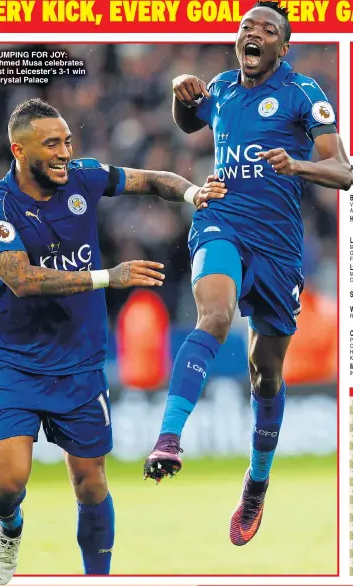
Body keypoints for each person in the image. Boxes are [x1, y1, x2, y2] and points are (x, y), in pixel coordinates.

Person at [0, 97, 226, 585]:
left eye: (68, 140)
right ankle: (9, 526)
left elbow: (149, 179)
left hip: (81, 362)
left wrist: (192, 193)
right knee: (8, 484)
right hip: (14, 362)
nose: (66, 151)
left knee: (90, 483)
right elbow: (21, 279)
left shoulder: (85, 177)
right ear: (18, 151)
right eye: (52, 144)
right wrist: (110, 276)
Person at [144, 0, 351, 547]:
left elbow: (344, 169)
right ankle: (168, 437)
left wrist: (298, 163)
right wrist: (179, 96)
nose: (252, 33)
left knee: (266, 373)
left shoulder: (304, 94)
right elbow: (191, 121)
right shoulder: (224, 88)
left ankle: (256, 484)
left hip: (280, 248)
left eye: (266, 30)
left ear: (283, 46)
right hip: (222, 220)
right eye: (246, 27)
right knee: (213, 314)